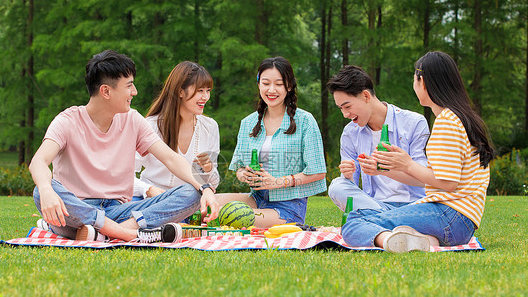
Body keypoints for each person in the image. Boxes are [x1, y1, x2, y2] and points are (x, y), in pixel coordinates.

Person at [29, 50, 219, 243]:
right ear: (106, 91)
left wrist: (205, 188)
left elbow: (170, 158)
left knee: (191, 192)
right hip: (77, 209)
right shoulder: (67, 121)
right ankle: (120, 232)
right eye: (129, 86)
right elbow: (39, 161)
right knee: (41, 189)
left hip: (119, 211)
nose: (134, 92)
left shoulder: (133, 120)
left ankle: (106, 231)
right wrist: (46, 190)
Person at [341, 51, 495, 253]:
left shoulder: (447, 122)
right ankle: (423, 241)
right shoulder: (459, 118)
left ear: (422, 81)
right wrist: (390, 168)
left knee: (354, 221)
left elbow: (447, 183)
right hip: (460, 222)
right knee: (365, 217)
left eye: (414, 78)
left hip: (449, 215)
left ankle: (388, 240)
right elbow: (437, 178)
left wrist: (407, 163)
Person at [216, 57, 327, 228]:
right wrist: (243, 175)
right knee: (207, 203)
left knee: (233, 217)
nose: (272, 90)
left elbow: (318, 172)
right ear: (259, 84)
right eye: (266, 83)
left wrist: (278, 182)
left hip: (288, 206)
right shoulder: (248, 122)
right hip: (256, 198)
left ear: (289, 86)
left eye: (279, 84)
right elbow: (238, 167)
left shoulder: (305, 121)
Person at [327, 65, 430, 213]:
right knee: (337, 186)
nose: (345, 114)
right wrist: (348, 175)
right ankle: (386, 217)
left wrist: (382, 170)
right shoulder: (350, 133)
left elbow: (424, 180)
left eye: (347, 106)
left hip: (414, 204)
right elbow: (350, 188)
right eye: (340, 109)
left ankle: (381, 220)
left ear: (366, 96)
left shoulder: (413, 123)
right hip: (375, 205)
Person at [134, 61, 220, 201]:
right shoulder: (150, 125)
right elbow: (127, 175)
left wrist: (209, 168)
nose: (205, 97)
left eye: (208, 91)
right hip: (150, 200)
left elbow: (213, 184)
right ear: (180, 91)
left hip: (187, 202)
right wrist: (149, 190)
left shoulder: (210, 127)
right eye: (200, 91)